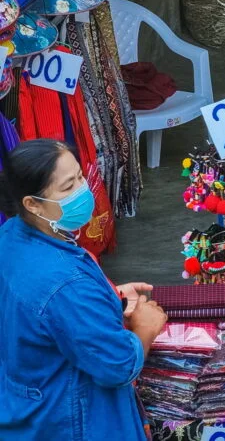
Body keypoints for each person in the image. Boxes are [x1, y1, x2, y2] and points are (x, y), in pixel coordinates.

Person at [0, 139, 168, 441]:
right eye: (67, 187)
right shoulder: (66, 285)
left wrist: (105, 296)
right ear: (32, 203)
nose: (82, 190)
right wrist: (145, 328)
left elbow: (40, 315)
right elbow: (118, 366)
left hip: (26, 404)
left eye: (80, 177)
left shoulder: (11, 235)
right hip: (72, 420)